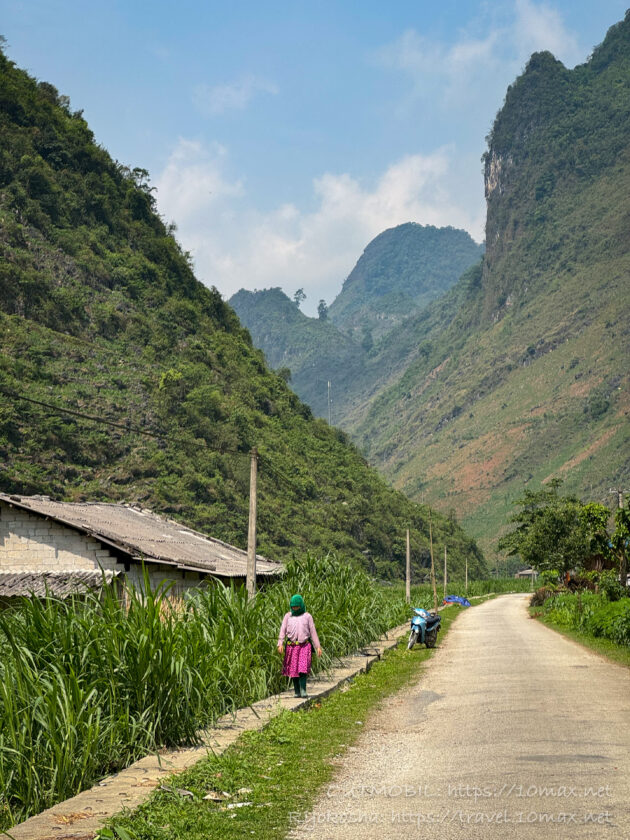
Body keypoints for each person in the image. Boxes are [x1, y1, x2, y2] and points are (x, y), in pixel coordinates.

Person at [277, 593, 322, 698]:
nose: (295, 608)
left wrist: (318, 646)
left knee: (302, 669)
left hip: (304, 646)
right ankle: (296, 691)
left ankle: (303, 690)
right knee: (293, 670)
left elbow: (313, 632)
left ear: (301, 606)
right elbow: (282, 630)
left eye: (297, 606)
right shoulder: (288, 616)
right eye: (293, 607)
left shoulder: (307, 616)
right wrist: (280, 644)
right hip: (291, 646)